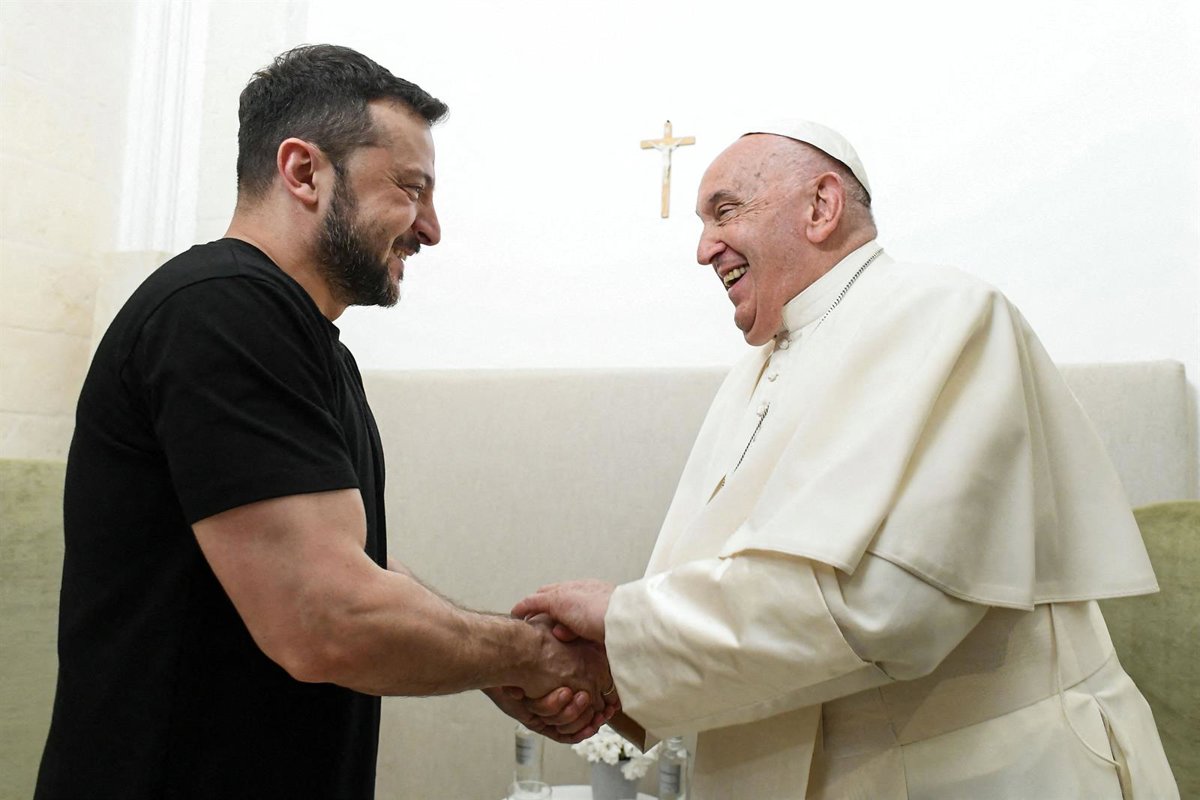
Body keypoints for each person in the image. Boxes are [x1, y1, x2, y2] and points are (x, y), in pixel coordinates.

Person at [514, 120, 1180, 798]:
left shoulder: (944, 313)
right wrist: (613, 674)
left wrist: (622, 630)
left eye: (725, 211)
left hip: (981, 773)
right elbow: (724, 600)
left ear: (821, 206)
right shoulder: (750, 377)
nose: (703, 248)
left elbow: (887, 610)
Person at [35, 44, 611, 800]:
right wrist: (530, 657)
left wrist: (491, 660)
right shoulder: (219, 311)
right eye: (410, 188)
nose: (431, 228)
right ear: (304, 171)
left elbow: (352, 566)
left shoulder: (307, 344)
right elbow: (329, 616)